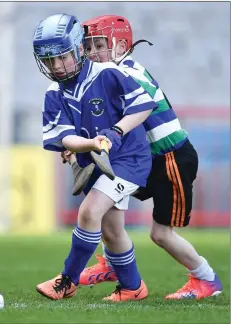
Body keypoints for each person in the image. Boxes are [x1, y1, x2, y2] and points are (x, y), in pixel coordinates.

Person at [76, 15, 223, 300]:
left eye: (99, 45)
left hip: (172, 159)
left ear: (120, 45)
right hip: (147, 159)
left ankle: (207, 280)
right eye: (89, 46)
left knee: (160, 234)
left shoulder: (127, 72)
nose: (92, 52)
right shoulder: (112, 74)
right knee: (104, 200)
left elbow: (133, 110)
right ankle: (112, 263)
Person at [33, 13, 159, 302]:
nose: (56, 66)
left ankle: (67, 280)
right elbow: (66, 138)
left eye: (62, 57)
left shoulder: (107, 73)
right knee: (112, 231)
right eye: (49, 60)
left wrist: (115, 131)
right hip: (97, 163)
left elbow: (143, 106)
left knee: (89, 212)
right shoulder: (53, 93)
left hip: (129, 159)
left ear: (79, 49)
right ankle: (133, 288)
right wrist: (88, 143)